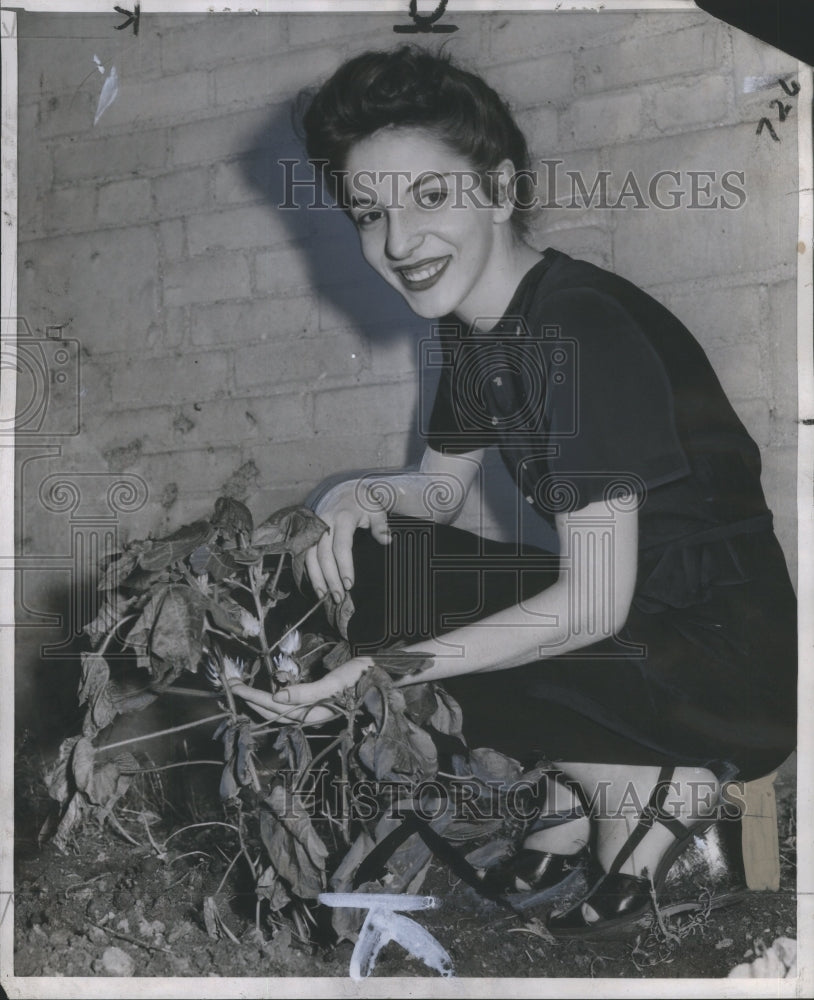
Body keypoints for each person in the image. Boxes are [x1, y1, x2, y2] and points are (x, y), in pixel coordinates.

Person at [227, 47, 797, 936]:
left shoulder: (573, 328)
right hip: (642, 634)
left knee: (402, 621)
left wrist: (381, 672)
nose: (399, 242)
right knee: (370, 563)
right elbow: (437, 495)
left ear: (495, 189)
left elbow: (591, 607)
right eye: (369, 215)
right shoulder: (479, 332)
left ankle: (651, 785)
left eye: (429, 198)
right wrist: (352, 500)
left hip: (723, 664)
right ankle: (589, 781)